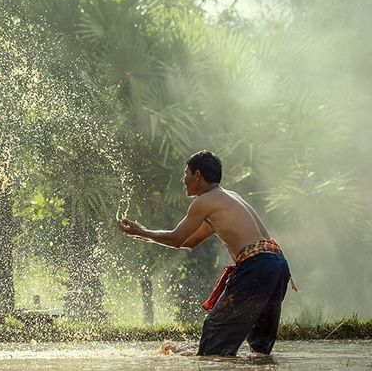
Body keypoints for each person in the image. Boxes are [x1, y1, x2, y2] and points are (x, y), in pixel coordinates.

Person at [116, 150, 291, 357]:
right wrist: (143, 235)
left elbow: (175, 238)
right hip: (277, 265)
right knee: (260, 348)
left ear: (197, 175)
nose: (184, 180)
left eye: (185, 174)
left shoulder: (204, 202)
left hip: (257, 266)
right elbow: (190, 242)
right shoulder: (229, 198)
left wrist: (142, 231)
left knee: (213, 342)